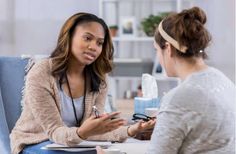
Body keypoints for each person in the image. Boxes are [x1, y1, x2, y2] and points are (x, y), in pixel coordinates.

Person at [10, 12, 155, 154]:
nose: (94, 47)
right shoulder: (42, 72)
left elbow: (92, 131)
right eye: (87, 38)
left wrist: (131, 130)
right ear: (69, 37)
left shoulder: (99, 77)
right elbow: (54, 131)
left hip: (75, 144)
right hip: (35, 142)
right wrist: (82, 132)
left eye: (99, 43)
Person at [146, 6, 235, 153]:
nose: (158, 57)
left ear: (168, 48)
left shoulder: (179, 97)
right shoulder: (224, 81)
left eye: (157, 50)